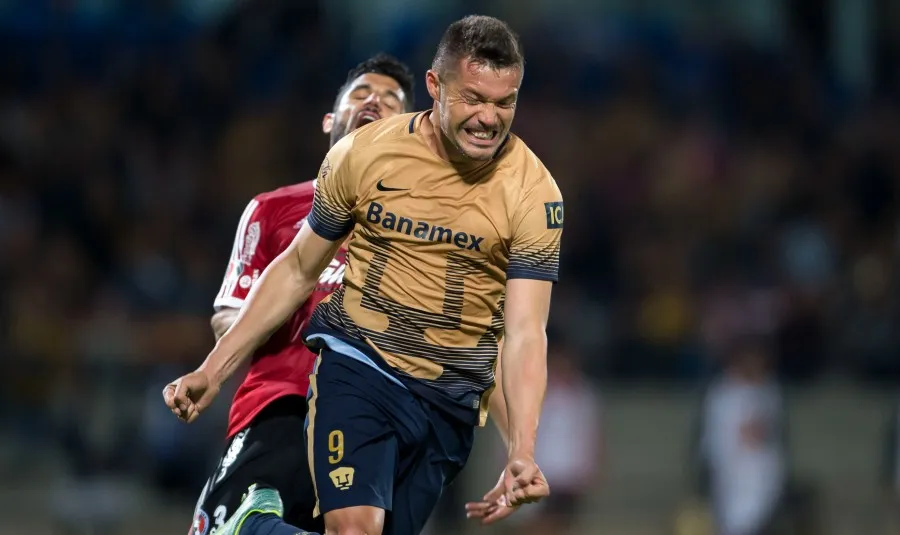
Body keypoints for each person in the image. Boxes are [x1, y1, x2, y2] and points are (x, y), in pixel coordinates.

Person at [165, 14, 560, 535]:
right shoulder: (362, 158)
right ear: (436, 88)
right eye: (473, 99)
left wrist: (522, 449)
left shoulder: (535, 194)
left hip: (448, 401)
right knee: (355, 529)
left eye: (503, 103)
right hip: (358, 368)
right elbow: (298, 268)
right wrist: (212, 372)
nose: (488, 118)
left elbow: (526, 331)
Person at [181, 53, 416, 535]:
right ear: (331, 119)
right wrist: (302, 318)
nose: (375, 100)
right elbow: (227, 318)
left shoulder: (419, 232)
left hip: (371, 420)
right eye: (361, 94)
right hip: (282, 404)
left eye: (392, 100)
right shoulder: (273, 210)